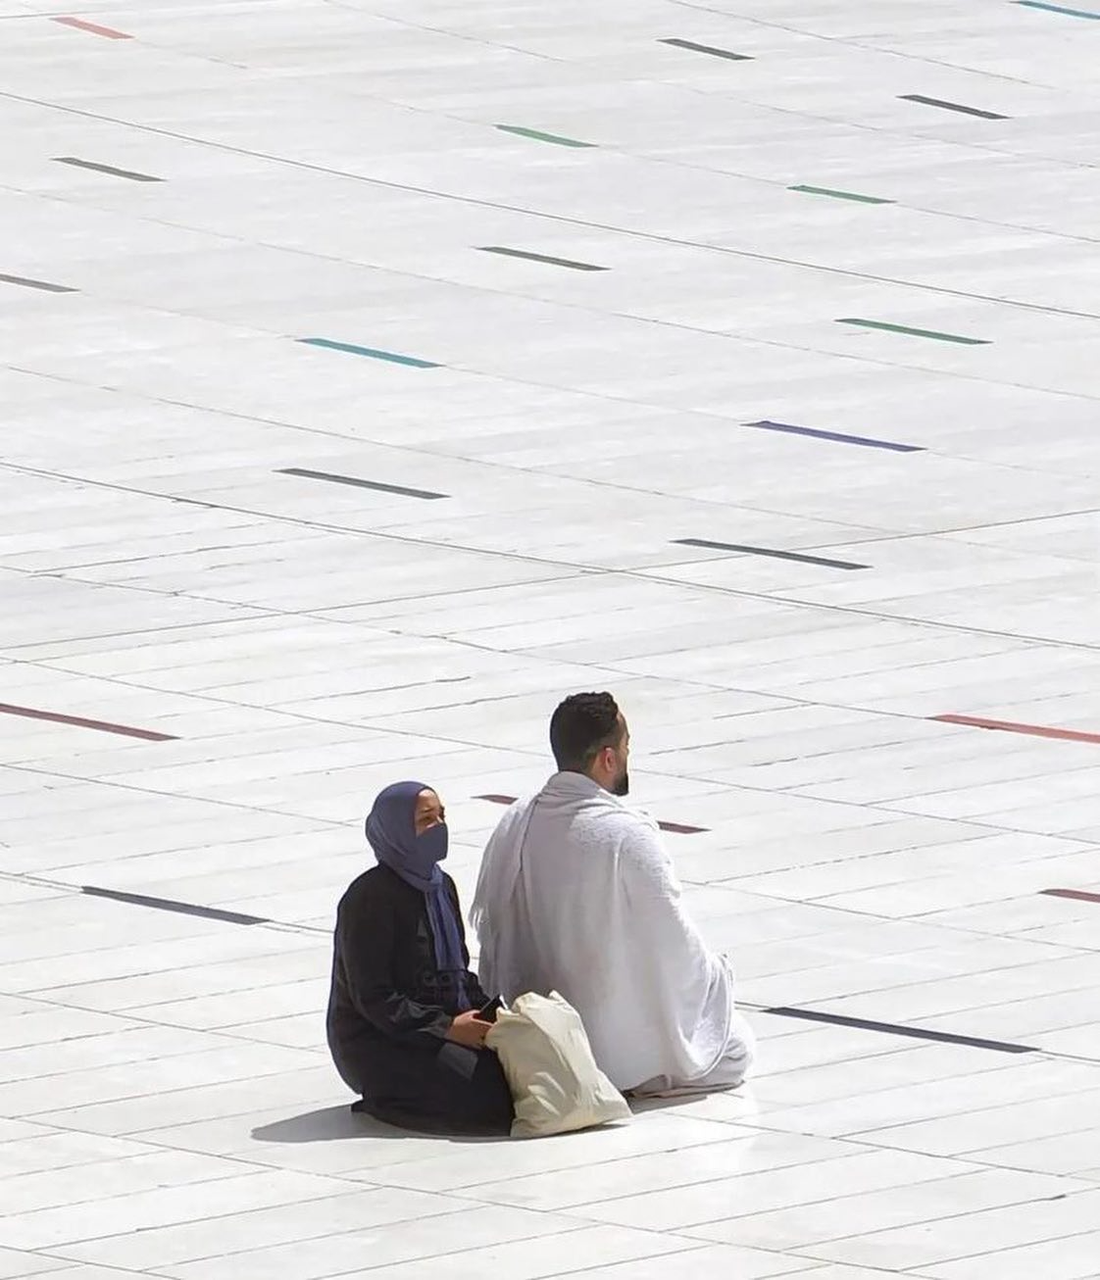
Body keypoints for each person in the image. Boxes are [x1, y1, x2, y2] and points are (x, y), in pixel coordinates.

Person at [470, 692, 754, 1096]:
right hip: (604, 1046)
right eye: (625, 747)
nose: (626, 756)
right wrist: (716, 975)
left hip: (534, 1030)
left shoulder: (515, 818)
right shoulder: (627, 834)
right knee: (736, 1047)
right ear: (607, 758)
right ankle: (633, 1072)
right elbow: (675, 945)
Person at [327, 780, 514, 1133]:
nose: (439, 826)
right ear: (396, 829)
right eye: (426, 818)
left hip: (438, 1029)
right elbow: (374, 999)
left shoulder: (441, 887)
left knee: (513, 1079)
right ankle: (382, 1101)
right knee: (486, 1100)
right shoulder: (369, 899)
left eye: (442, 816)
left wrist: (490, 1013)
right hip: (378, 1041)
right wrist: (446, 1027)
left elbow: (456, 970)